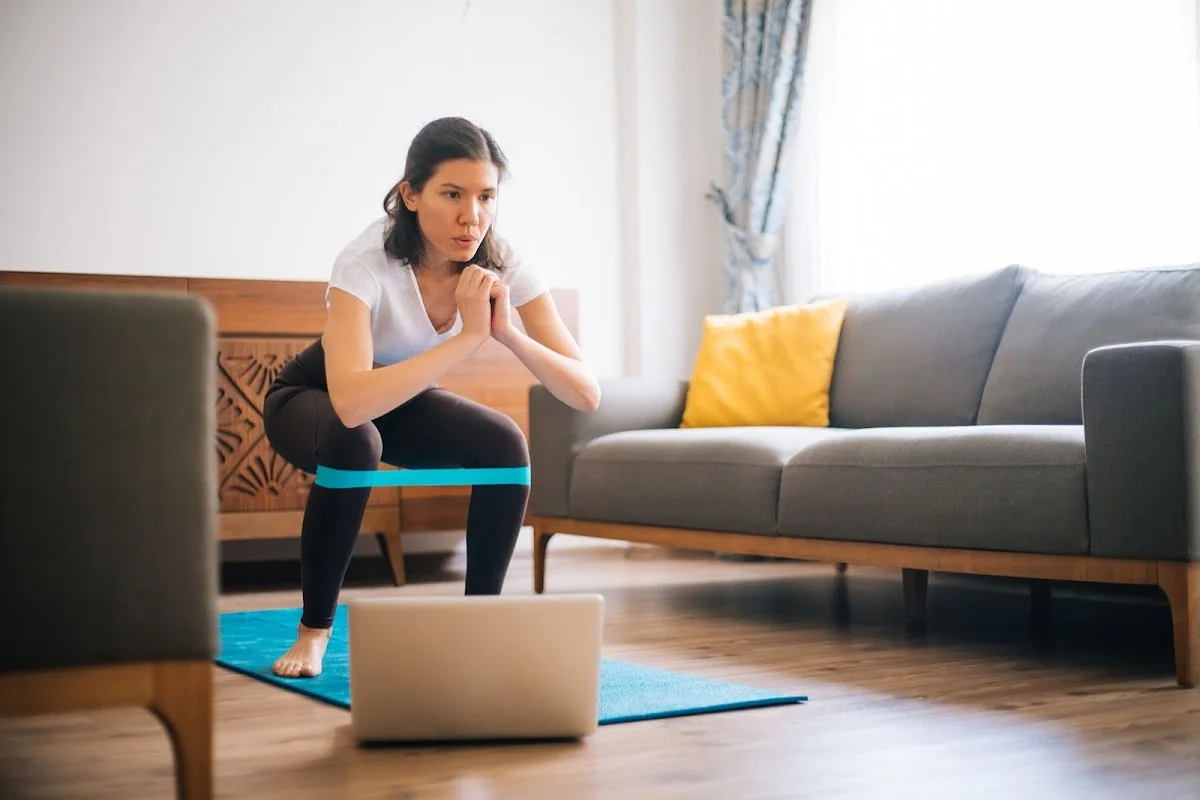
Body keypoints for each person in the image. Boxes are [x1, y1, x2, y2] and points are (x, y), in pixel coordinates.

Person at [262, 117, 601, 678]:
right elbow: (349, 403)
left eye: (486, 196)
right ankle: (315, 630)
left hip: (394, 395)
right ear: (410, 195)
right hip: (312, 396)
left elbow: (584, 392)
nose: (473, 216)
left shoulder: (502, 258)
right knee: (356, 441)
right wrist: (469, 337)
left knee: (503, 443)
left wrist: (507, 333)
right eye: (452, 194)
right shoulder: (365, 261)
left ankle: (477, 628)